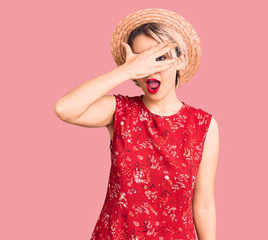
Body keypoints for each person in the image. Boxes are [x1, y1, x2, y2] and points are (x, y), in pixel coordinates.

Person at [54, 8, 219, 240]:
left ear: (180, 60)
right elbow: (64, 108)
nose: (151, 68)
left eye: (160, 58)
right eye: (143, 60)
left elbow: (203, 205)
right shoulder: (119, 112)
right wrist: (126, 70)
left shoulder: (203, 125)